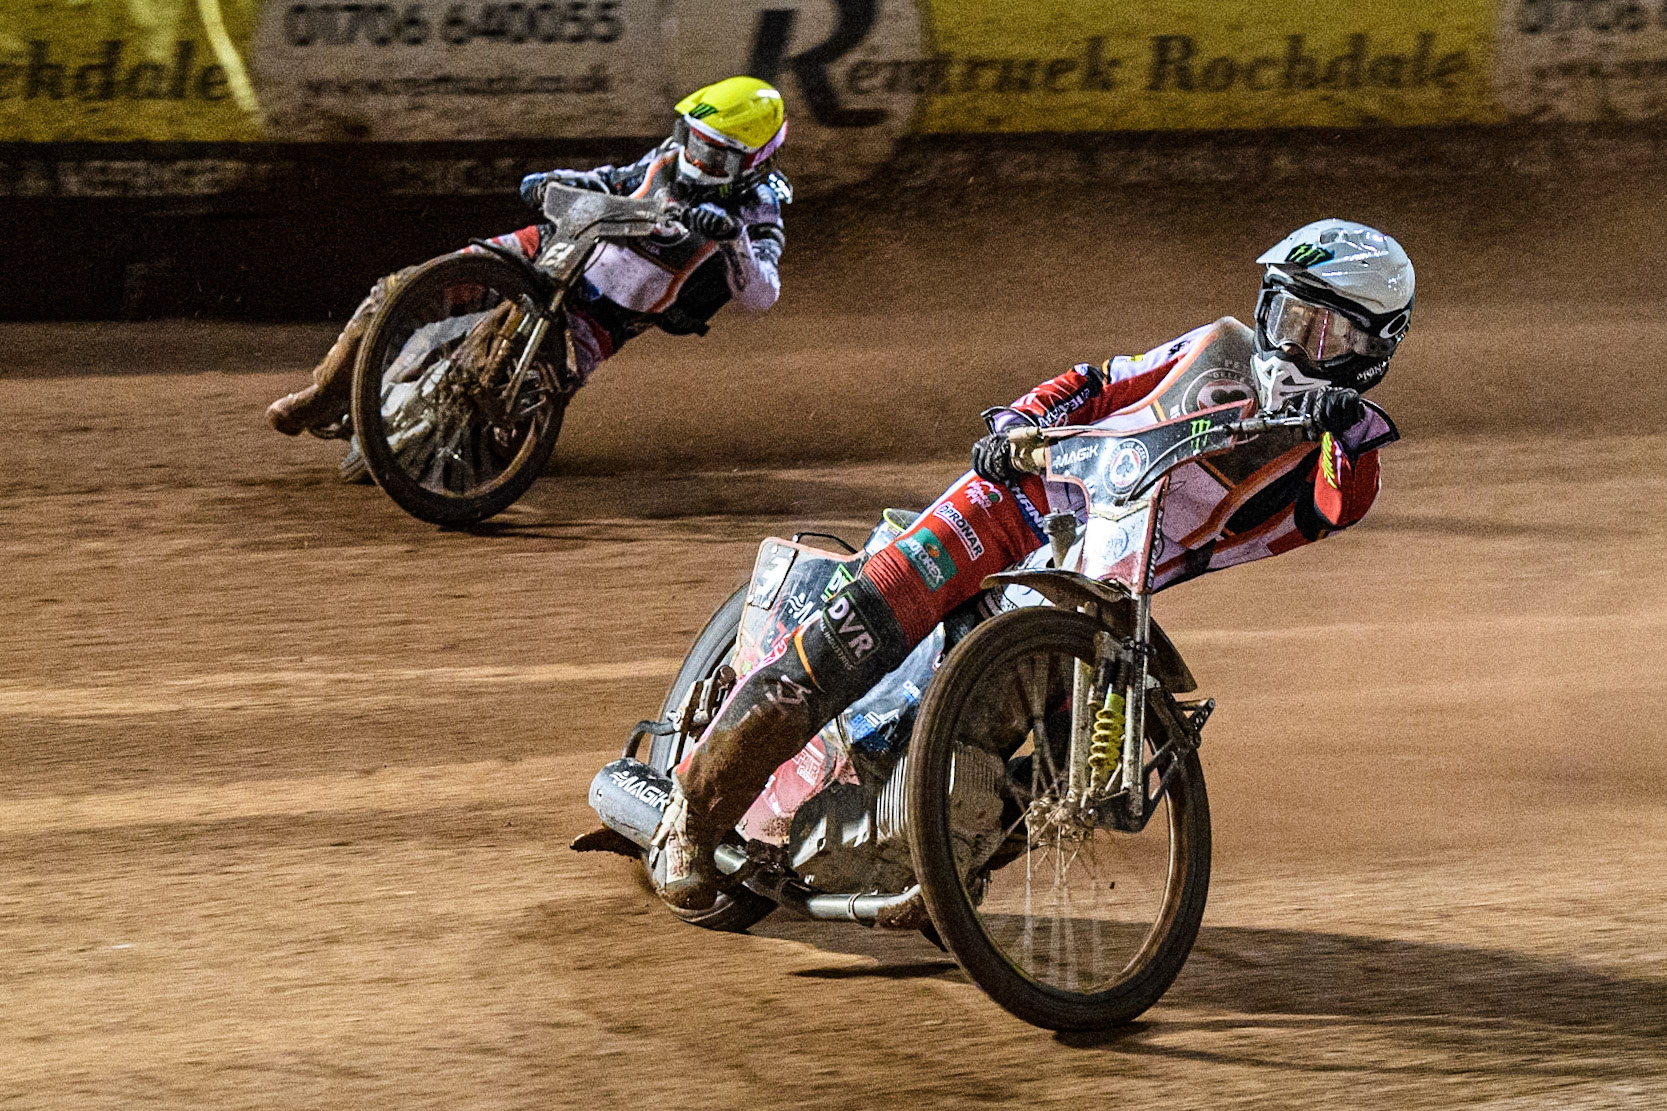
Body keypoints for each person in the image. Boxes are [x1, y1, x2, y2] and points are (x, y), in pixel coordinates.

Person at [651, 218, 1415, 909]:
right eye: (1287, 317)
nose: (1294, 347)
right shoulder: (1218, 349)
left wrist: (1339, 433)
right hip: (1012, 504)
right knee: (857, 631)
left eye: (1326, 335)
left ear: (1373, 352)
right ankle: (690, 815)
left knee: (1085, 764)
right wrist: (1020, 422)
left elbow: (1339, 501)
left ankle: (940, 857)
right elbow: (1099, 383)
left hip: (1093, 591)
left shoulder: (1347, 460)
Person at [265, 76, 791, 440]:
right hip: (556, 247)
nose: (696, 158)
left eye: (714, 154)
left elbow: (763, 295)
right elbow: (615, 180)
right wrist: (554, 181)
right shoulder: (672, 155)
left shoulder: (759, 206)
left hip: (602, 317)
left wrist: (732, 240)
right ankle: (324, 393)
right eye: (692, 139)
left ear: (753, 161)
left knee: (509, 411)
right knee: (403, 288)